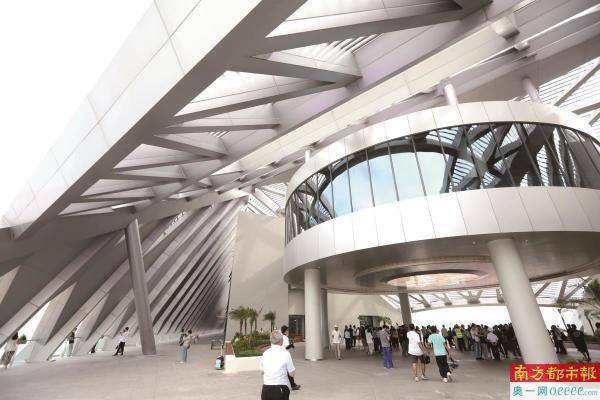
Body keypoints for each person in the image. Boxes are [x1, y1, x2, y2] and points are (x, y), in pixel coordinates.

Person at [260, 330, 296, 400]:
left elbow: (262, 371)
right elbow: (292, 374)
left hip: (266, 390)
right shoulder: (285, 353)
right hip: (280, 389)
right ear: (281, 340)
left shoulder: (265, 353)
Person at [280, 326, 300, 391]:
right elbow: (286, 347)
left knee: (285, 371)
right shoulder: (285, 337)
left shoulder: (281, 337)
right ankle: (293, 385)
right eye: (287, 330)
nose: (288, 331)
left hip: (281, 356)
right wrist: (291, 345)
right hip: (285, 356)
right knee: (289, 370)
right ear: (285, 331)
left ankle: (292, 385)